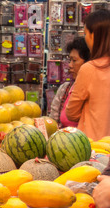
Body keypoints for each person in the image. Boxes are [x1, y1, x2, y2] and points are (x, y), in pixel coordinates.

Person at [66, 9, 110, 141]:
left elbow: (71, 113)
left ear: (93, 36)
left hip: (93, 145)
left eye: (86, 33)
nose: (85, 38)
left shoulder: (89, 69)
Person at [48, 37, 90, 128]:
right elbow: (53, 121)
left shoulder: (97, 90)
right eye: (69, 60)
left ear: (88, 63)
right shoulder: (65, 89)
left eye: (74, 60)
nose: (70, 65)